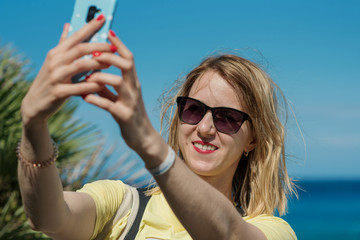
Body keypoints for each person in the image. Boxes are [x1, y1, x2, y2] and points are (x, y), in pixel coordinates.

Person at [18, 14, 297, 240]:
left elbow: (228, 234)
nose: (205, 128)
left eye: (227, 118)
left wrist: (151, 147)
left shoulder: (271, 231)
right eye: (194, 109)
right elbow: (49, 218)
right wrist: (33, 125)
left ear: (253, 140)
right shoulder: (122, 206)